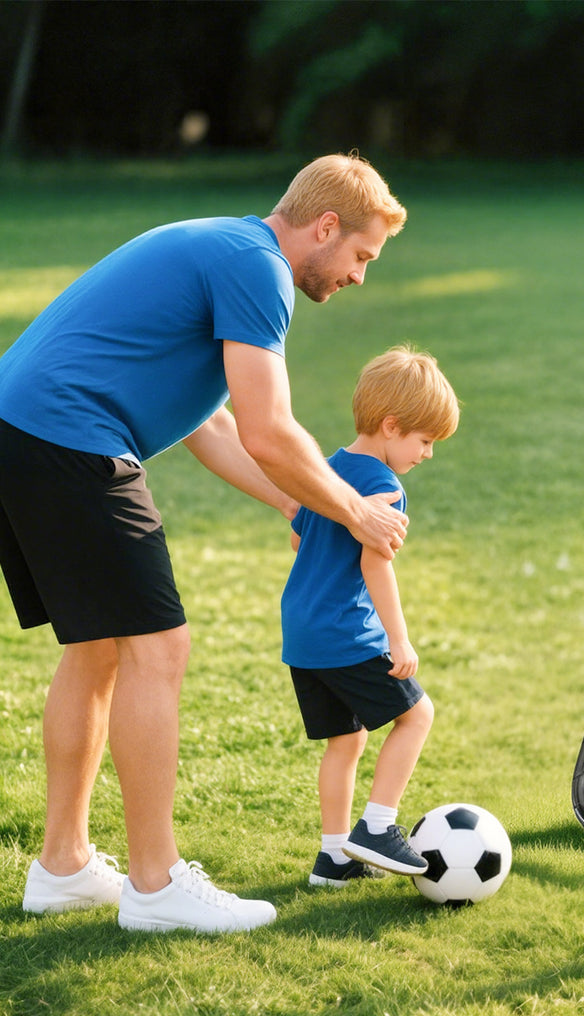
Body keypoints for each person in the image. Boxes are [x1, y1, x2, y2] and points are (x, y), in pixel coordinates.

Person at [0, 153, 411, 933]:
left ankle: (62, 867)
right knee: (160, 648)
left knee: (97, 650)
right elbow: (269, 428)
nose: (359, 275)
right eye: (360, 255)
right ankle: (156, 887)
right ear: (325, 228)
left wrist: (301, 509)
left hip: (19, 430)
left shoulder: (227, 250)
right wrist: (356, 511)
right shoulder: (259, 271)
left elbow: (211, 423)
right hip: (69, 438)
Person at [281, 346, 458, 887]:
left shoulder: (326, 472)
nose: (427, 454)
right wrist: (399, 642)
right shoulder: (385, 487)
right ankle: (377, 828)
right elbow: (375, 565)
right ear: (391, 426)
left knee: (347, 738)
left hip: (302, 634)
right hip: (344, 632)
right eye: (424, 441)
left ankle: (333, 858)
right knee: (417, 715)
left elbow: (296, 537)